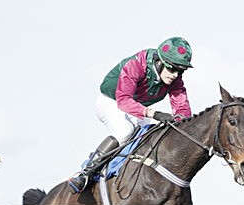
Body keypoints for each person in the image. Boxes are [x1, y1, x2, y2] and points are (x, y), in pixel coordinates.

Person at [68, 36, 194, 194]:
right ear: (160, 62)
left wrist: (180, 119)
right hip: (111, 101)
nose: (175, 75)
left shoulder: (175, 79)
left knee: (154, 134)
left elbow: (182, 107)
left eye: (180, 70)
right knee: (125, 131)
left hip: (137, 108)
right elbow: (123, 101)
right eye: (172, 69)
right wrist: (154, 113)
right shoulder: (136, 65)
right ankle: (85, 173)